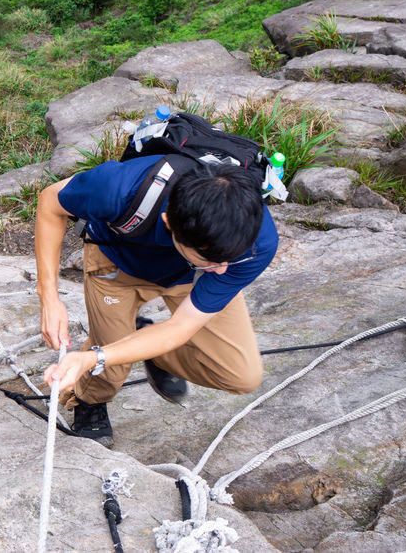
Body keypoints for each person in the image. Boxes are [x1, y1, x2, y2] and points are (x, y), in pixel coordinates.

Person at [36, 158, 278, 447]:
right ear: (168, 223)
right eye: (213, 259)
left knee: (241, 374)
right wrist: (49, 297)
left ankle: (144, 343)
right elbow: (51, 201)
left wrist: (94, 356)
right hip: (117, 265)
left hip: (191, 277)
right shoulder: (118, 188)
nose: (225, 269)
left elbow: (180, 327)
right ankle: (88, 400)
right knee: (110, 369)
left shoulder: (255, 243)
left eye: (228, 259)